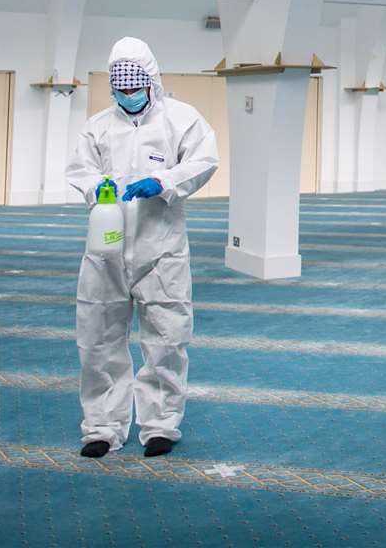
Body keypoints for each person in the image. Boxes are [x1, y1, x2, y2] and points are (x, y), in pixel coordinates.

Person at [67, 36, 218, 458]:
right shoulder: (98, 126)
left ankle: (160, 425)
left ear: (152, 82)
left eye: (135, 87)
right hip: (105, 250)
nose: (128, 95)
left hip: (161, 250)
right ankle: (101, 426)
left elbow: (205, 160)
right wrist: (99, 187)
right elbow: (79, 169)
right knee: (98, 337)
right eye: (121, 87)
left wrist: (165, 181)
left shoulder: (180, 120)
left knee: (167, 338)